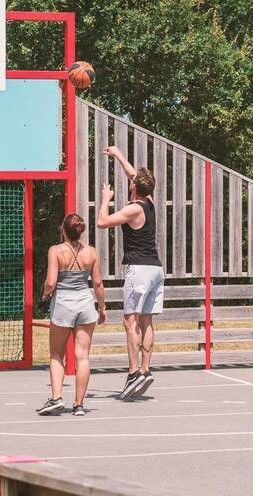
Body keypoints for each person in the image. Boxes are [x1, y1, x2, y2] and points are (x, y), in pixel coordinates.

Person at [96, 145, 163, 400]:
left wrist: (105, 200)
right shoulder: (150, 202)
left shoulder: (133, 208)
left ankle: (134, 372)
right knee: (147, 320)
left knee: (130, 321)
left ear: (136, 187)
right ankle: (145, 369)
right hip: (156, 268)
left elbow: (103, 222)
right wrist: (119, 155)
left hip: (139, 269)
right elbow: (134, 175)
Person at [36, 214, 107, 417]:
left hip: (63, 304)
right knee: (82, 356)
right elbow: (98, 283)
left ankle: (57, 397)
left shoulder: (56, 251)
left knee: (57, 354)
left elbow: (51, 281)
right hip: (85, 303)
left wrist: (45, 293)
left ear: (63, 230)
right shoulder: (91, 252)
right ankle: (79, 404)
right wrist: (102, 308)